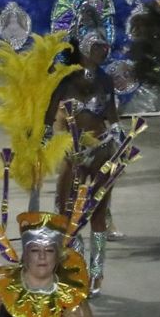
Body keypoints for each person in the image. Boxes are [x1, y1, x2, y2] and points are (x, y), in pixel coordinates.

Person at [52, 26, 118, 297]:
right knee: (67, 214)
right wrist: (66, 146)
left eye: (104, 47)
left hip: (103, 151)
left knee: (99, 214)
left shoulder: (106, 81)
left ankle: (97, 272)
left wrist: (118, 138)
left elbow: (113, 115)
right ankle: (75, 268)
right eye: (96, 47)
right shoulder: (64, 81)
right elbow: (55, 120)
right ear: (81, 49)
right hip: (74, 154)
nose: (102, 52)